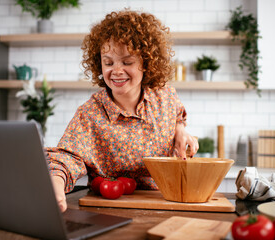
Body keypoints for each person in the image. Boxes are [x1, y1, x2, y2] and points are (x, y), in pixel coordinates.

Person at [46, 10, 199, 212]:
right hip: (110, 208)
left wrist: (180, 131)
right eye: (108, 62)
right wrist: (55, 187)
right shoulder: (90, 113)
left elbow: (178, 115)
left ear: (147, 63)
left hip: (165, 203)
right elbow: (65, 159)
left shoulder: (164, 95)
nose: (116, 70)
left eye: (127, 62)